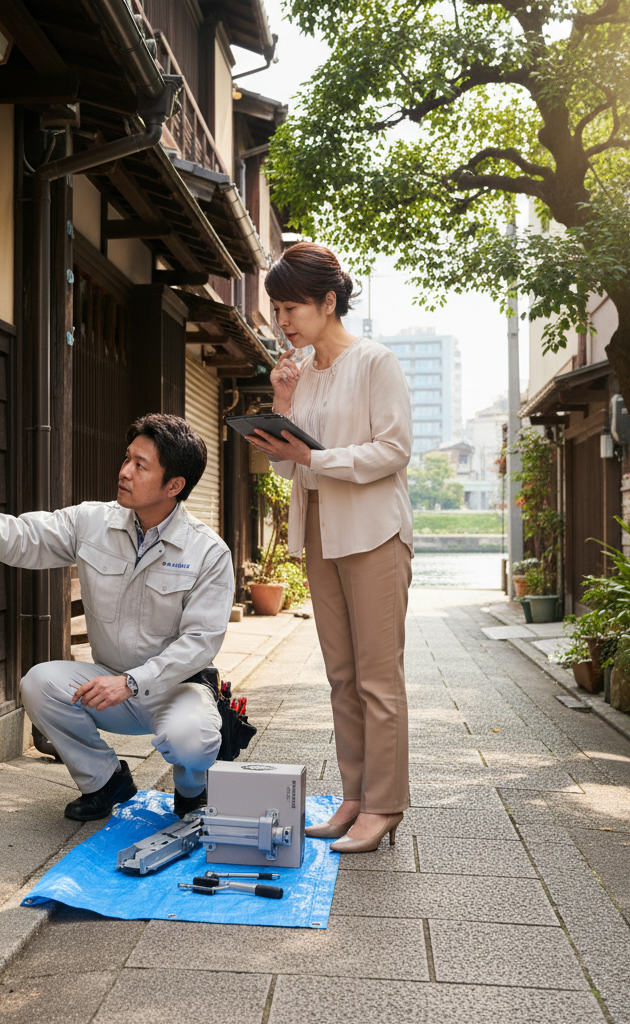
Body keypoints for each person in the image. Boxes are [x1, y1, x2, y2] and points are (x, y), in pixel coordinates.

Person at [0, 413, 233, 822]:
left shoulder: (208, 552)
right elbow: (24, 537)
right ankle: (106, 781)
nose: (124, 472)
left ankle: (192, 790)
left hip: (175, 687)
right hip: (109, 681)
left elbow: (200, 642)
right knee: (39, 683)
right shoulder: (92, 521)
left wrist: (133, 682)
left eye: (141, 466)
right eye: (127, 459)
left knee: (190, 739)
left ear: (174, 486)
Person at [247, 241, 414, 854]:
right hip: (322, 533)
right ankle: (353, 796)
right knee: (341, 677)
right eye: (277, 309)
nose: (282, 321)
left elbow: (393, 451)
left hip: (373, 535)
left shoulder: (375, 362)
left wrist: (313, 456)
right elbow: (290, 473)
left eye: (291, 308)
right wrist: (283, 407)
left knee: (378, 678)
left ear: (327, 300)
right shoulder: (303, 375)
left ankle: (384, 807)